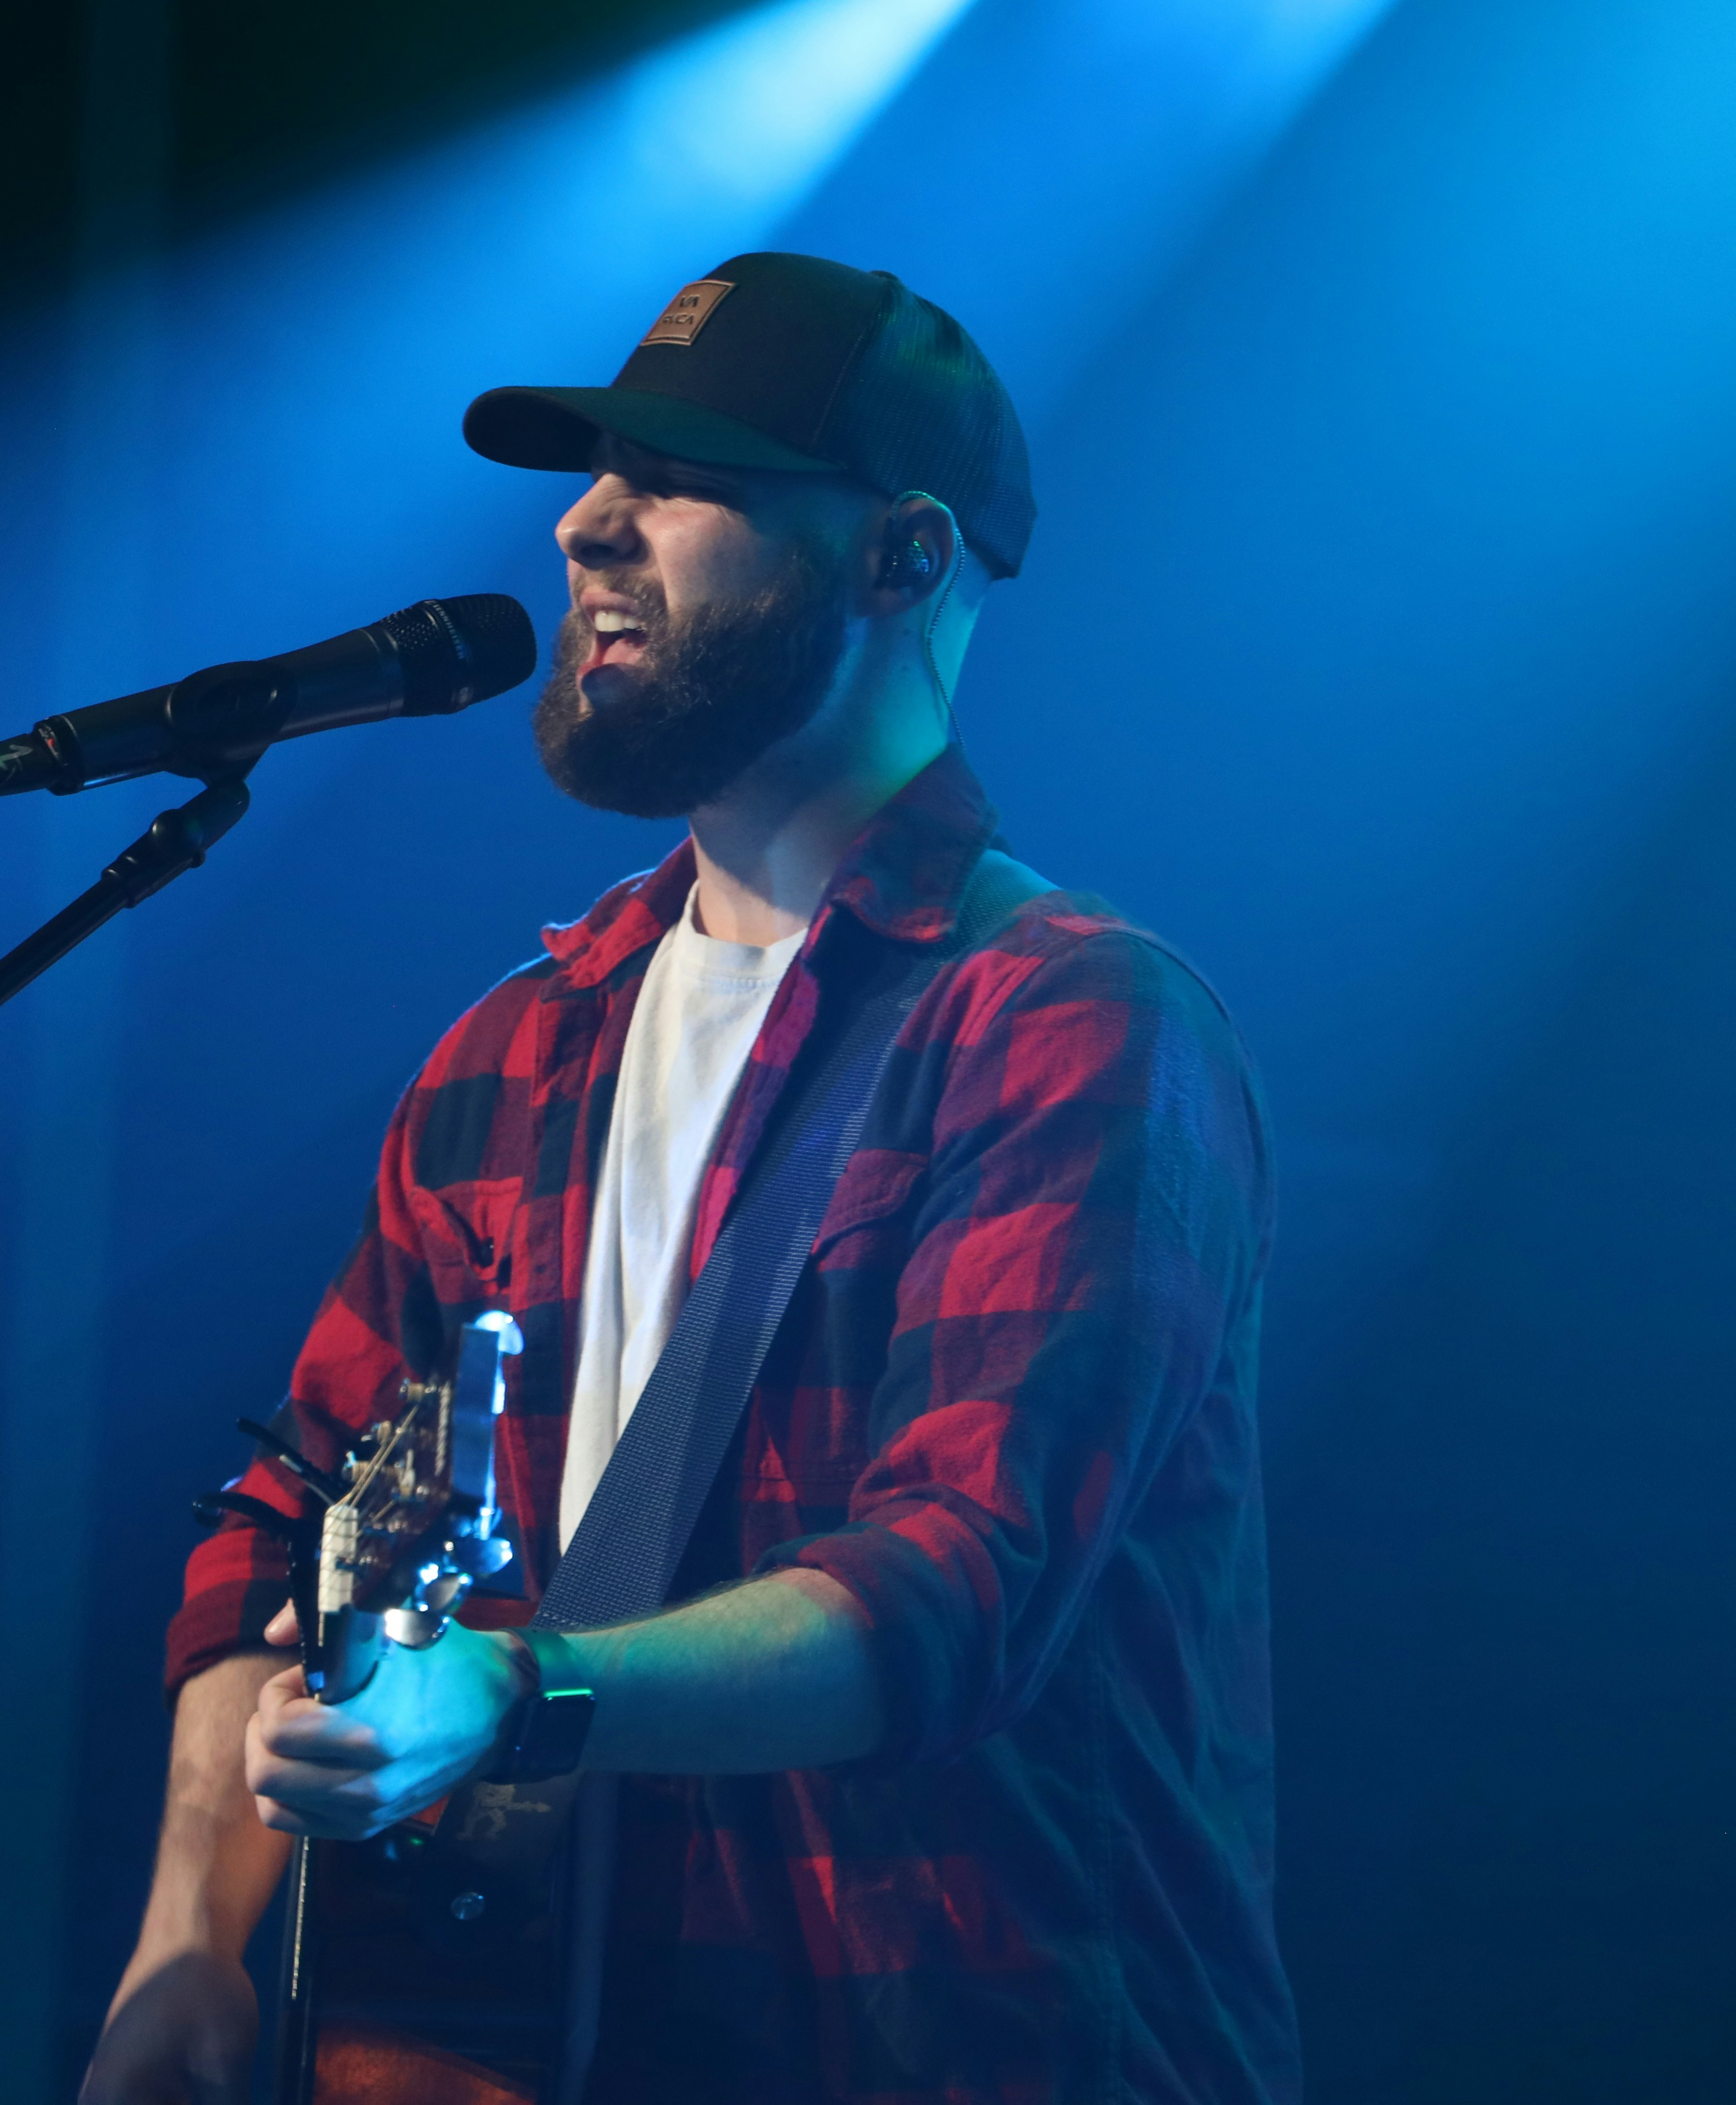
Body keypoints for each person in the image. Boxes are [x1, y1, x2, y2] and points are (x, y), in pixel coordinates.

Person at [79, 253, 1298, 2105]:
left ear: (901, 557)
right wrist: (191, 1942)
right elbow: (284, 1514)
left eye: (681, 479)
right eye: (595, 477)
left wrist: (514, 1694)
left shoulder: (1070, 1026)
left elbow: (953, 1585)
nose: (584, 527)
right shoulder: (519, 1049)